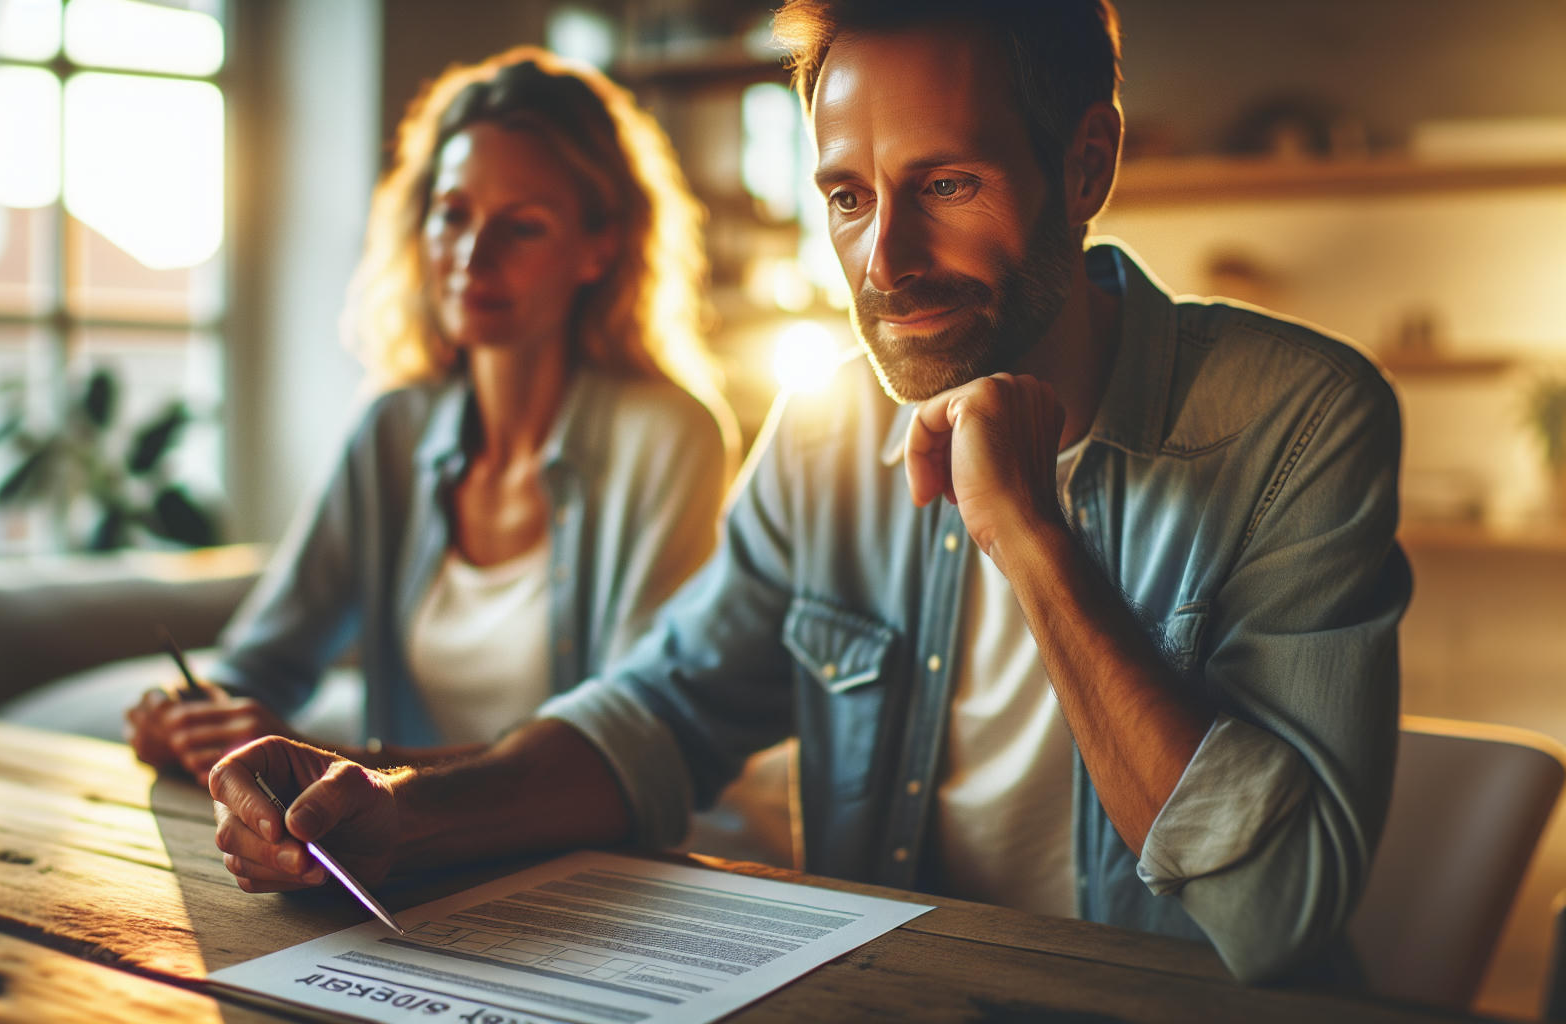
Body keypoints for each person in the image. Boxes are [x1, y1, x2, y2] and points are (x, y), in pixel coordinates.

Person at [206, 0, 1410, 985]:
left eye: (945, 184)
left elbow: (1276, 915)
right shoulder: (823, 435)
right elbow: (655, 714)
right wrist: (405, 814)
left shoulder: (1297, 420)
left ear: (1083, 162)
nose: (884, 261)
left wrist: (1033, 537)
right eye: (847, 196)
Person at [126, 47, 736, 779]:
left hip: (601, 869)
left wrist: (352, 769)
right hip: (396, 858)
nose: (471, 257)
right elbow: (266, 660)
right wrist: (195, 713)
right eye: (452, 215)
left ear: (598, 248)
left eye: (523, 226)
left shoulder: (670, 437)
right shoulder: (393, 428)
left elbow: (631, 734)